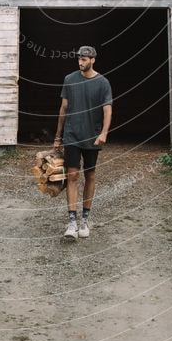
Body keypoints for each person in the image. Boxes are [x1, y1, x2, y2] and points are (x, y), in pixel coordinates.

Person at [54, 45, 112, 239]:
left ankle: (85, 220)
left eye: (85, 59)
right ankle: (72, 223)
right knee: (72, 175)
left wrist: (104, 132)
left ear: (93, 59)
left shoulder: (103, 82)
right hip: (72, 135)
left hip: (92, 136)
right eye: (79, 58)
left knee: (90, 175)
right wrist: (58, 136)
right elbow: (63, 108)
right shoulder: (69, 80)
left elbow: (107, 110)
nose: (81, 62)